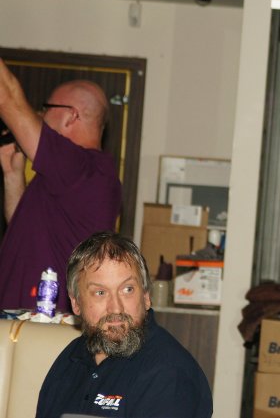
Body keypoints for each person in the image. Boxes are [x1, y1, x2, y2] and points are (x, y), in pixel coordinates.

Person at [36, 231, 213, 418]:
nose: (116, 308)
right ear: (76, 303)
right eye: (100, 293)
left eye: (127, 289)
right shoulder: (70, 359)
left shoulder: (169, 372)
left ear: (146, 296)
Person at [0, 58, 122, 312]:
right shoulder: (61, 176)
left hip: (45, 324)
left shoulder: (85, 169)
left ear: (71, 116)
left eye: (47, 108)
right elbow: (26, 229)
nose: (41, 115)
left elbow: (8, 98)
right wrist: (12, 174)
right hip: (21, 319)